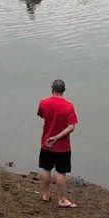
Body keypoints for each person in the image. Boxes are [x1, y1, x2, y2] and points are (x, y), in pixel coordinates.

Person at [36, 78, 78, 208]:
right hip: (62, 147)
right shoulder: (69, 106)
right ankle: (62, 199)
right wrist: (57, 137)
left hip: (46, 143)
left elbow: (43, 116)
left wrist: (52, 136)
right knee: (61, 172)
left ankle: (46, 194)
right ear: (64, 90)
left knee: (46, 169)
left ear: (52, 89)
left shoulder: (43, 103)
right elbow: (71, 127)